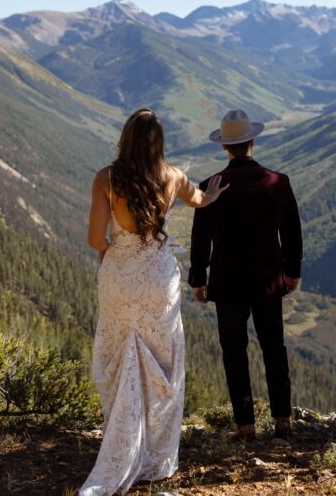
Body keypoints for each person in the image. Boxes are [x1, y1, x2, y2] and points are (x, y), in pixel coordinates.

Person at [79, 108, 227, 496]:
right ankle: (156, 456)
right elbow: (200, 199)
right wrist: (212, 194)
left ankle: (122, 442)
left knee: (118, 356)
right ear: (158, 142)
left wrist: (115, 256)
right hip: (159, 278)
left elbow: (96, 239)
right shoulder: (173, 176)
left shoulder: (106, 179)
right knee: (162, 362)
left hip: (120, 276)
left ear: (125, 138)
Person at [189, 109, 303, 443]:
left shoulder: (210, 186)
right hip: (268, 280)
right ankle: (283, 421)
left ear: (225, 147)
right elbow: (292, 235)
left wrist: (199, 278)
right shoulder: (277, 182)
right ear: (252, 141)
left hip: (227, 283)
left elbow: (201, 239)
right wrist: (292, 273)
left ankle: (246, 427)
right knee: (274, 347)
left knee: (234, 351)